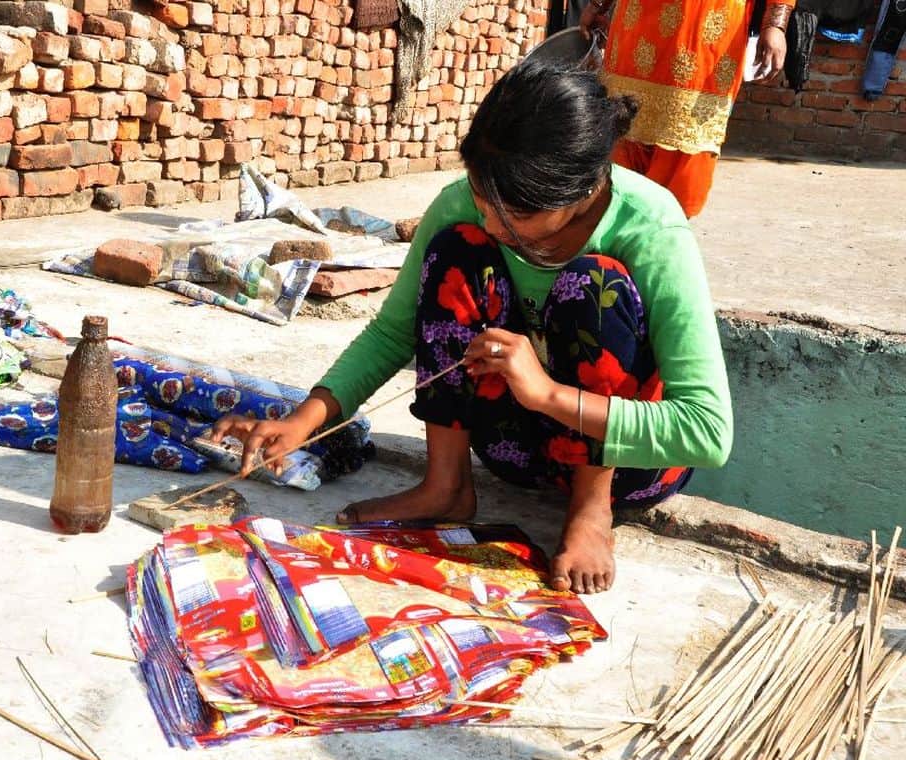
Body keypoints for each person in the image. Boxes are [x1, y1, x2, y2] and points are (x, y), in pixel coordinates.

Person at [213, 62, 733, 595]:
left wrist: (549, 394)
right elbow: (394, 333)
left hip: (629, 470)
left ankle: (589, 509)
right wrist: (307, 419)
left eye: (513, 217)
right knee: (456, 250)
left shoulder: (649, 225)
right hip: (515, 448)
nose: (492, 224)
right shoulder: (467, 205)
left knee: (595, 284)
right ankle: (446, 484)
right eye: (485, 202)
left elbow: (708, 432)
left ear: (575, 193)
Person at [581, 0, 795, 217]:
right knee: (621, 145)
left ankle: (659, 237)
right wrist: (598, 4)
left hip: (704, 38)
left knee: (686, 166)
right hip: (636, 31)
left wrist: (775, 24)